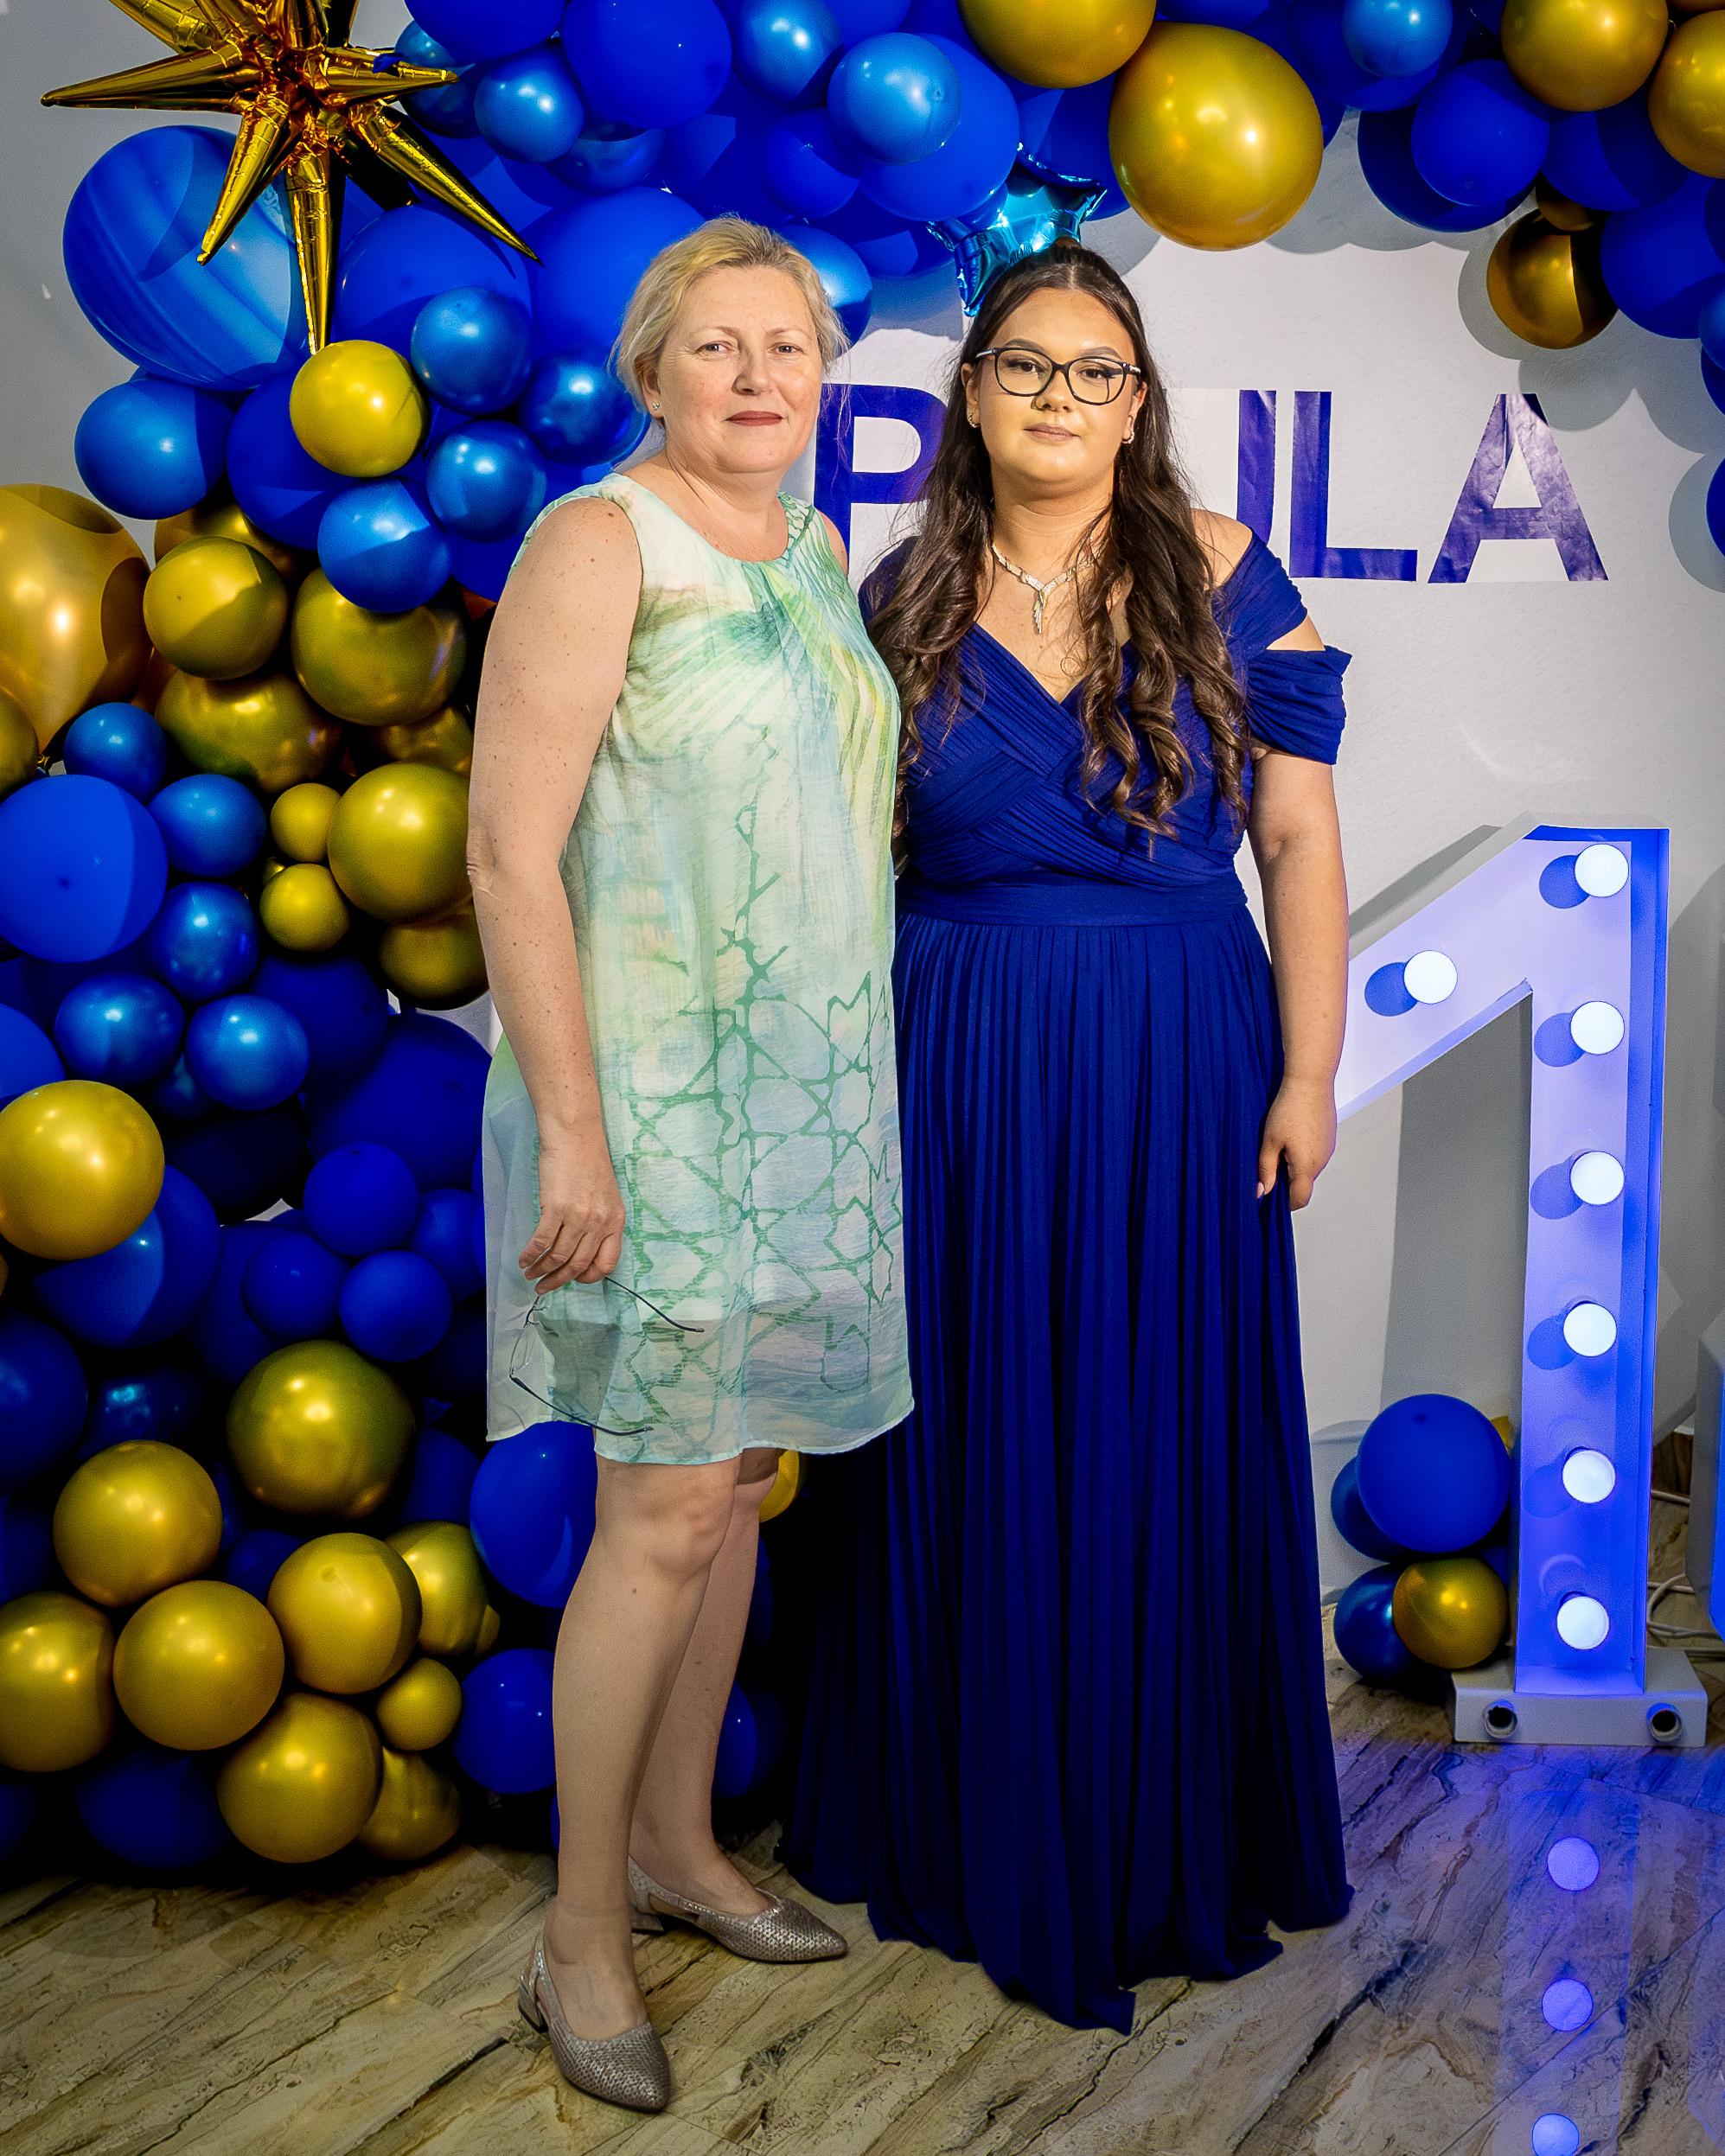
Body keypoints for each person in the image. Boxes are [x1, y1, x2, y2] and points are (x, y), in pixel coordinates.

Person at [789, 239, 1352, 2035]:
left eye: (1094, 368)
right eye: (1024, 364)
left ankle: (1144, 1819)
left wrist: (1310, 1070)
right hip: (953, 1051)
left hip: (1180, 1046)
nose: (1057, 395)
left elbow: (1297, 842)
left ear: (1137, 401)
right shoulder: (898, 596)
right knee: (966, 1415)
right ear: (970, 395)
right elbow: (840, 861)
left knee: (1149, 1414)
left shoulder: (1225, 571)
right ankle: (966, 1808)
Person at [469, 218, 911, 2114]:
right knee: (656, 1511)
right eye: (716, 346)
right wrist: (575, 1131)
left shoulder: (808, 550)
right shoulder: (600, 541)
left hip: (799, 1098)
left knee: (730, 1486)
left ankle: (677, 1850)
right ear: (651, 372)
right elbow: (510, 853)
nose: (757, 376)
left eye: (787, 346)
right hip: (647, 1103)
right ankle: (579, 1932)